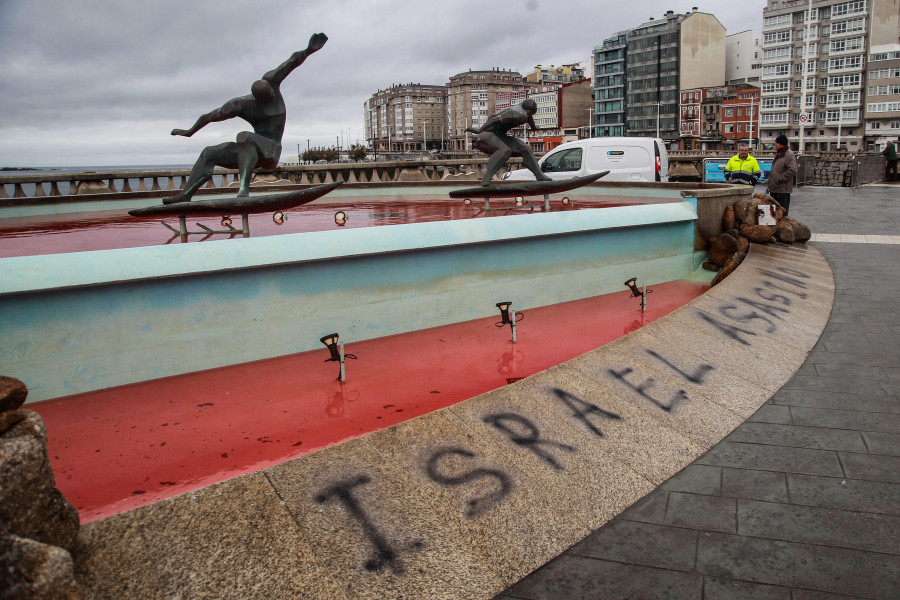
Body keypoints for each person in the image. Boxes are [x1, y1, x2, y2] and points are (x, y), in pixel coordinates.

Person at [164, 33, 328, 204]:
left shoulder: (272, 80)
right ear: (257, 98)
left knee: (245, 136)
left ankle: (243, 191)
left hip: (271, 150)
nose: (272, 98)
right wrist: (189, 131)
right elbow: (209, 116)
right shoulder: (239, 105)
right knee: (208, 153)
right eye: (266, 98)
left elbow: (291, 62)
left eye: (272, 95)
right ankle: (186, 194)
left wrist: (309, 50)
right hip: (249, 153)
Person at [466, 99, 552, 186]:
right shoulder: (517, 113)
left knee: (525, 148)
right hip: (486, 136)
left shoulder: (524, 112)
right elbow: (495, 119)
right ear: (531, 111)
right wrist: (478, 130)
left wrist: (534, 128)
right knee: (504, 150)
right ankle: (486, 179)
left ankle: (539, 175)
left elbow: (530, 120)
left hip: (500, 137)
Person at [767, 134, 797, 215]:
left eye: (776, 143)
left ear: (781, 143)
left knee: (783, 212)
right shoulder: (779, 154)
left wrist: (780, 178)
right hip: (774, 188)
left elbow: (792, 170)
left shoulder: (789, 154)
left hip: (783, 190)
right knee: (773, 212)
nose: (775, 144)